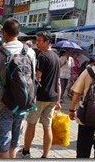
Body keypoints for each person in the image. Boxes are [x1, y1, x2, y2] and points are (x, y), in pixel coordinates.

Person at [0, 18, 36, 158]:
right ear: (18, 33)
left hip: (4, 102)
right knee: (14, 141)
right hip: (24, 101)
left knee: (3, 141)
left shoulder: (1, 52)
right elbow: (32, 77)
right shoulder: (30, 52)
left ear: (4, 33)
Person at [18, 31, 61, 159]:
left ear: (47, 42)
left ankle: (25, 152)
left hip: (40, 97)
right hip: (52, 97)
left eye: (40, 41)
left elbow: (37, 78)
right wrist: (58, 99)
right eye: (37, 40)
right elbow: (58, 81)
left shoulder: (43, 57)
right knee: (47, 127)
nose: (37, 43)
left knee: (31, 123)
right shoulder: (56, 57)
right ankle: (45, 156)